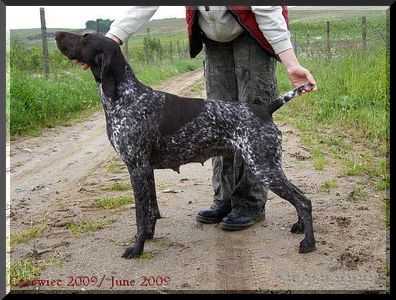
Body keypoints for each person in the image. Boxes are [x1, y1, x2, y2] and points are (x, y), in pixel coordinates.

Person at [76, 6, 316, 230]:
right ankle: (226, 197)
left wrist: (291, 64)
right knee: (213, 122)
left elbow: (267, 9)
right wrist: (111, 40)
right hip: (213, 38)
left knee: (251, 119)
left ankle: (249, 202)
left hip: (253, 33)